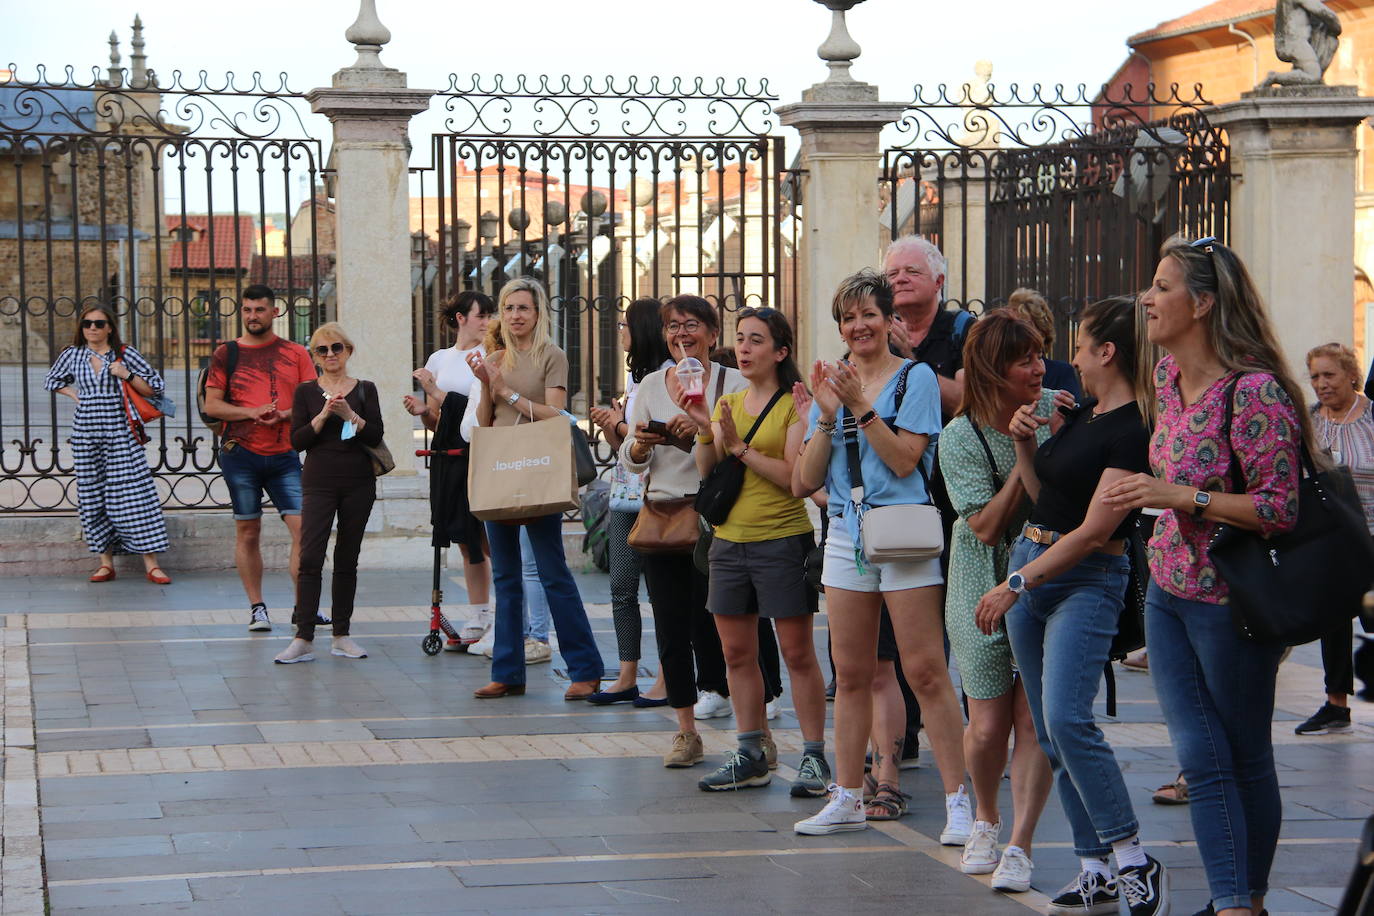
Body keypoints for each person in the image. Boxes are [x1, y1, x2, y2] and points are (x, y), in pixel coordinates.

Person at [1103, 235, 1308, 916]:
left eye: (1162, 286)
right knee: (1200, 752)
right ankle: (1233, 902)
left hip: (1232, 602)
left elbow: (1278, 509)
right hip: (1167, 588)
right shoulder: (1165, 378)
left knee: (1241, 755)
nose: (1148, 298)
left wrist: (1179, 497)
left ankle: (1242, 901)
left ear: (1202, 303)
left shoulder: (1254, 394)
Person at [973, 297, 1168, 910]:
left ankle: (1133, 856)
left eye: (1081, 346)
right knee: (1053, 730)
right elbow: (1045, 498)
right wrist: (1026, 446)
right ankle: (1093, 865)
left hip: (1085, 577)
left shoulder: (1132, 427)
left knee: (1066, 719)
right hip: (1032, 563)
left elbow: (1089, 532)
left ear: (1107, 352)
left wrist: (1015, 586)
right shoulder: (1082, 413)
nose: (1071, 359)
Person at [791, 269, 971, 842]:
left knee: (924, 670)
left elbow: (902, 461)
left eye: (868, 314)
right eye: (847, 318)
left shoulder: (913, 379)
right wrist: (825, 414)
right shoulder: (837, 384)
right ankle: (846, 794)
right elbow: (803, 480)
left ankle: (960, 800)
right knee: (852, 673)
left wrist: (859, 407)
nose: (857, 326)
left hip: (904, 531)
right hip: (846, 533)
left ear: (890, 321)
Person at [684, 307, 829, 795]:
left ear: (780, 351)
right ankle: (749, 751)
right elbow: (709, 470)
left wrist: (741, 447)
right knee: (737, 653)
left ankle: (813, 756)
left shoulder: (795, 404)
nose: (744, 349)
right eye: (741, 339)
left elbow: (795, 480)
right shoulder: (731, 399)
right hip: (728, 542)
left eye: (757, 341)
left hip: (782, 540)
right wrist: (707, 428)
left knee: (796, 653)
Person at [937, 310, 1058, 889]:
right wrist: (1021, 452)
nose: (1039, 369)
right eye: (1024, 360)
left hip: (1044, 579)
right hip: (979, 581)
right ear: (992, 370)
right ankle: (985, 817)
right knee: (987, 724)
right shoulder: (958, 436)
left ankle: (1021, 842)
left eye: (1040, 356)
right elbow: (984, 526)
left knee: (1033, 720)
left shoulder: (1060, 410)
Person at [620, 295, 745, 766]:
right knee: (671, 626)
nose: (681, 335)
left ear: (713, 334)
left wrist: (703, 429)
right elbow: (634, 461)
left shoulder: (734, 382)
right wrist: (640, 446)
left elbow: (746, 445)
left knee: (725, 627)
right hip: (665, 517)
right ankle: (686, 731)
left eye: (691, 325)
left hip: (721, 514)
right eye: (673, 327)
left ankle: (752, 731)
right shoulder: (651, 385)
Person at [465, 277, 604, 699]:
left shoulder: (551, 355)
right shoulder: (496, 356)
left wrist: (507, 392)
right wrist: (489, 382)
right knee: (505, 575)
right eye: (508, 308)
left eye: (523, 308)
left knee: (552, 571)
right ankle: (507, 671)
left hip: (538, 465)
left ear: (538, 313)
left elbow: (556, 413)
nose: (515, 316)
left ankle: (585, 669)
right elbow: (485, 419)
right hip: (502, 467)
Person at [203, 285, 318, 632]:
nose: (253, 316)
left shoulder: (296, 353)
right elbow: (211, 405)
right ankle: (257, 608)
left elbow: (310, 400)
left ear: (275, 312)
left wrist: (282, 415)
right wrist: (252, 412)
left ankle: (304, 608)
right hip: (241, 454)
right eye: (248, 310)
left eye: (260, 310)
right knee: (248, 531)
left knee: (304, 531)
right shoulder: (226, 353)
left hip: (284, 454)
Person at [273, 324, 383, 664]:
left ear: (348, 351)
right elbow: (298, 441)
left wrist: (351, 415)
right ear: (315, 356)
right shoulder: (306, 392)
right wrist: (322, 416)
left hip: (358, 481)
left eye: (337, 348)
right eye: (322, 350)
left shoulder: (365, 389)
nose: (330, 354)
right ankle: (303, 636)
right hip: (319, 480)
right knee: (310, 557)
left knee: (347, 557)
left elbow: (376, 432)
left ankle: (341, 634)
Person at [45, 305, 171, 583]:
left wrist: (125, 374)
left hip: (121, 432)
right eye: (87, 323)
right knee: (92, 495)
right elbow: (51, 380)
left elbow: (156, 386)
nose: (92, 328)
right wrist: (76, 396)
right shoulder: (72, 354)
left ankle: (151, 563)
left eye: (99, 323)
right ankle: (105, 562)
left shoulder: (124, 354)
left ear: (110, 328)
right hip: (86, 433)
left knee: (134, 494)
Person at [587, 299, 673, 706]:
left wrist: (619, 422)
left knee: (661, 592)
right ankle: (627, 674)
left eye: (624, 324)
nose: (619, 331)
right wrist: (613, 425)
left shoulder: (664, 379)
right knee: (622, 586)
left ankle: (669, 675)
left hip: (656, 497)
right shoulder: (636, 380)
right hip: (624, 495)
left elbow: (654, 439)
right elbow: (626, 445)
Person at [406, 290, 496, 651]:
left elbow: (478, 410)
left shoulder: (491, 356)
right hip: (450, 455)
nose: (487, 322)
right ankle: (478, 615)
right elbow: (438, 421)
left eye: (490, 315)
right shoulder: (440, 359)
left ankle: (504, 615)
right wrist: (422, 408)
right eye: (481, 315)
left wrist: (433, 391)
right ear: (461, 318)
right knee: (463, 537)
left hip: (482, 453)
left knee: (490, 536)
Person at [1297, 342, 1374, 734]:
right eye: (1314, 377)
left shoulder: (1373, 416)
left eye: (1329, 375)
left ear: (1351, 375)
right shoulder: (1308, 421)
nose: (1321, 384)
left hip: (1373, 537)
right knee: (1333, 621)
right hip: (1330, 540)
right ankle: (1335, 703)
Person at [1006, 287, 1082, 400]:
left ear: (1042, 333)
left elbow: (1073, 413)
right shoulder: (1000, 372)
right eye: (1016, 330)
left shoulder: (1061, 373)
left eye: (1028, 329)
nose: (1021, 336)